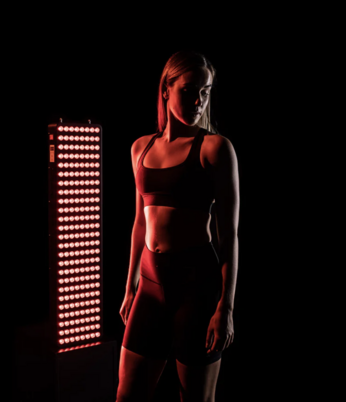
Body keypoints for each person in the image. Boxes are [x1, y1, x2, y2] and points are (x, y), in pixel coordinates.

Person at [116, 50, 240, 402]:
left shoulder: (215, 148)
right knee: (127, 395)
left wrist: (225, 308)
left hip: (196, 289)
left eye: (206, 91)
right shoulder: (141, 148)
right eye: (188, 90)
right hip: (150, 288)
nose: (198, 100)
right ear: (166, 89)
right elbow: (141, 222)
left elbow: (228, 234)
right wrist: (131, 287)